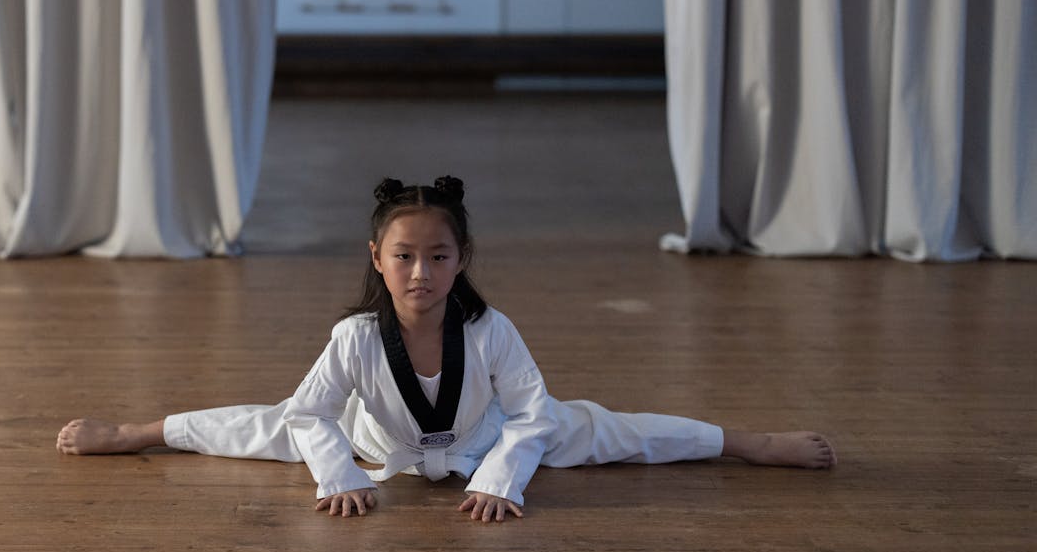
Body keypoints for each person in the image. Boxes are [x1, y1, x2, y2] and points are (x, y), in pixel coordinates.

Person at [57, 176, 836, 523]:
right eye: (404, 256)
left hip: (486, 440)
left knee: (607, 429)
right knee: (270, 423)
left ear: (462, 258)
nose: (420, 271)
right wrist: (335, 475)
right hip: (377, 447)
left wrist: (503, 478)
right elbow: (306, 415)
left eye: (437, 256)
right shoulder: (355, 338)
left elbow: (530, 416)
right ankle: (136, 432)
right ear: (376, 258)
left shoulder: (490, 332)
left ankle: (750, 443)